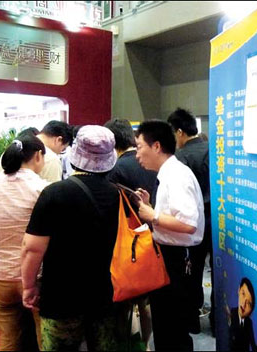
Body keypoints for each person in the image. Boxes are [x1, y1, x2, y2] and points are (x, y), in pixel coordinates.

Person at [21, 125, 120, 351]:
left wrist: (29, 286)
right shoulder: (119, 194)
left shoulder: (54, 193)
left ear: (76, 157)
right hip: (105, 295)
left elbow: (32, 248)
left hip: (60, 297)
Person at [135, 120, 204, 351]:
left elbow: (187, 224)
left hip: (175, 258)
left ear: (156, 146)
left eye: (139, 147)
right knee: (166, 325)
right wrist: (150, 207)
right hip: (168, 255)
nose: (137, 155)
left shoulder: (176, 175)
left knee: (172, 327)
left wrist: (153, 215)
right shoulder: (169, 173)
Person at [0, 134, 48, 351]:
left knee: (8, 341)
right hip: (36, 277)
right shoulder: (43, 189)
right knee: (43, 340)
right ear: (38, 156)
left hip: (0, 276)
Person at [104, 118, 156, 349]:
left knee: (125, 303)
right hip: (152, 239)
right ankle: (144, 343)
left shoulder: (114, 170)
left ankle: (129, 344)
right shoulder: (155, 163)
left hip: (127, 245)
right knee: (146, 301)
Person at [167, 108, 213, 335]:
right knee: (219, 270)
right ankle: (217, 323)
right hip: (218, 219)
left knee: (192, 271)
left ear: (179, 132)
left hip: (193, 223)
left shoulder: (180, 158)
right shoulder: (215, 150)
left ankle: (192, 321)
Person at [0, 120, 73, 183]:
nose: (60, 152)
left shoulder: (12, 149)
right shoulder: (51, 159)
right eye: (63, 149)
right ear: (58, 140)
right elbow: (53, 195)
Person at [227, 278, 257, 352]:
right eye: (243, 294)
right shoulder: (230, 314)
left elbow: (253, 345)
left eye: (248, 303)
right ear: (239, 290)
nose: (244, 304)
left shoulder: (248, 322)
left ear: (251, 310)